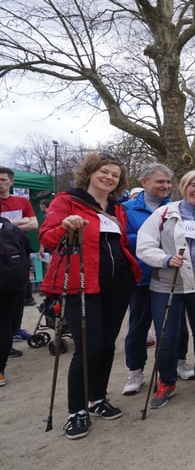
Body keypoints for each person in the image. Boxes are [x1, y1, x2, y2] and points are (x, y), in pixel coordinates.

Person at [39, 152, 141, 440]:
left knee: (107, 344)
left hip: (116, 285)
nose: (109, 178)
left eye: (115, 175)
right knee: (89, 345)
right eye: (104, 172)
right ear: (90, 172)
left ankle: (98, 398)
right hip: (82, 284)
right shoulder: (66, 201)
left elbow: (120, 243)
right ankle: (76, 410)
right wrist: (65, 226)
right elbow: (46, 238)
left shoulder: (117, 209)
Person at [136, 170, 195, 409]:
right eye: (193, 185)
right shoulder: (164, 213)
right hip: (167, 285)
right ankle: (166, 381)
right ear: (185, 186)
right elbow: (144, 245)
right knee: (166, 336)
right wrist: (166, 259)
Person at [121, 163, 195, 396]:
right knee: (139, 326)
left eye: (167, 182)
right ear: (144, 182)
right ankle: (135, 371)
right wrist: (150, 237)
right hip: (142, 276)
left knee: (177, 326)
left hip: (171, 276)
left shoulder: (177, 207)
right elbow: (123, 238)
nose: (165, 186)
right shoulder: (126, 208)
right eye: (160, 182)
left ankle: (180, 362)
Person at [0, 166, 38, 354]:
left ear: (11, 182)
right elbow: (26, 223)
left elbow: (34, 223)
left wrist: (5, 223)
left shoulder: (21, 201)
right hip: (2, 256)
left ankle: (15, 330)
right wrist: (18, 223)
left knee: (20, 293)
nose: (1, 184)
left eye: (3, 180)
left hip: (19, 253)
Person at [0, 215, 31, 387]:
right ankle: (0, 372)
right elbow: (27, 251)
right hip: (12, 285)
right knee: (4, 325)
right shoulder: (13, 230)